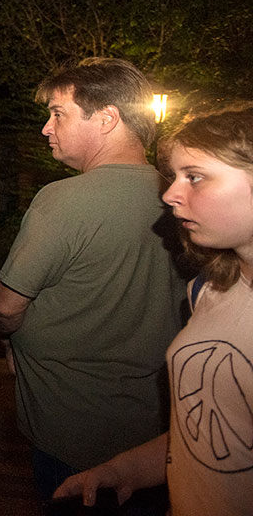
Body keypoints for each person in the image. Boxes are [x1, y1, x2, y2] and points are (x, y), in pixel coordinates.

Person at [0, 58, 183, 502]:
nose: (46, 128)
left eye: (58, 113)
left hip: (75, 439)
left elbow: (4, 306)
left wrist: (6, 333)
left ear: (108, 118)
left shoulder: (64, 200)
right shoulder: (177, 196)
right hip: (155, 436)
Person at [54, 104, 253, 515]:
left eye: (194, 177)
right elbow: (208, 429)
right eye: (174, 176)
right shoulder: (210, 290)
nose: (169, 194)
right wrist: (124, 469)